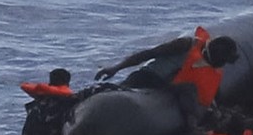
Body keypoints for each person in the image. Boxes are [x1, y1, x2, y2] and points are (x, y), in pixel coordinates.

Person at [94, 26, 240, 110]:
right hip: (147, 78)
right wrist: (116, 68)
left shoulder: (210, 68)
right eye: (222, 62)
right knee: (111, 94)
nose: (222, 65)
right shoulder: (185, 45)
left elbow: (207, 90)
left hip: (167, 89)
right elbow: (148, 54)